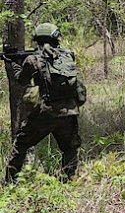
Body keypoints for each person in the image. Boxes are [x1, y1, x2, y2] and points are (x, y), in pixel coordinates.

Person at [3, 23, 86, 183]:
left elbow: (22, 80)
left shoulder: (33, 59)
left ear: (38, 39)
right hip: (69, 112)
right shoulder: (68, 56)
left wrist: (13, 63)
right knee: (69, 149)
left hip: (46, 113)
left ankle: (9, 182)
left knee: (21, 144)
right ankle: (68, 181)